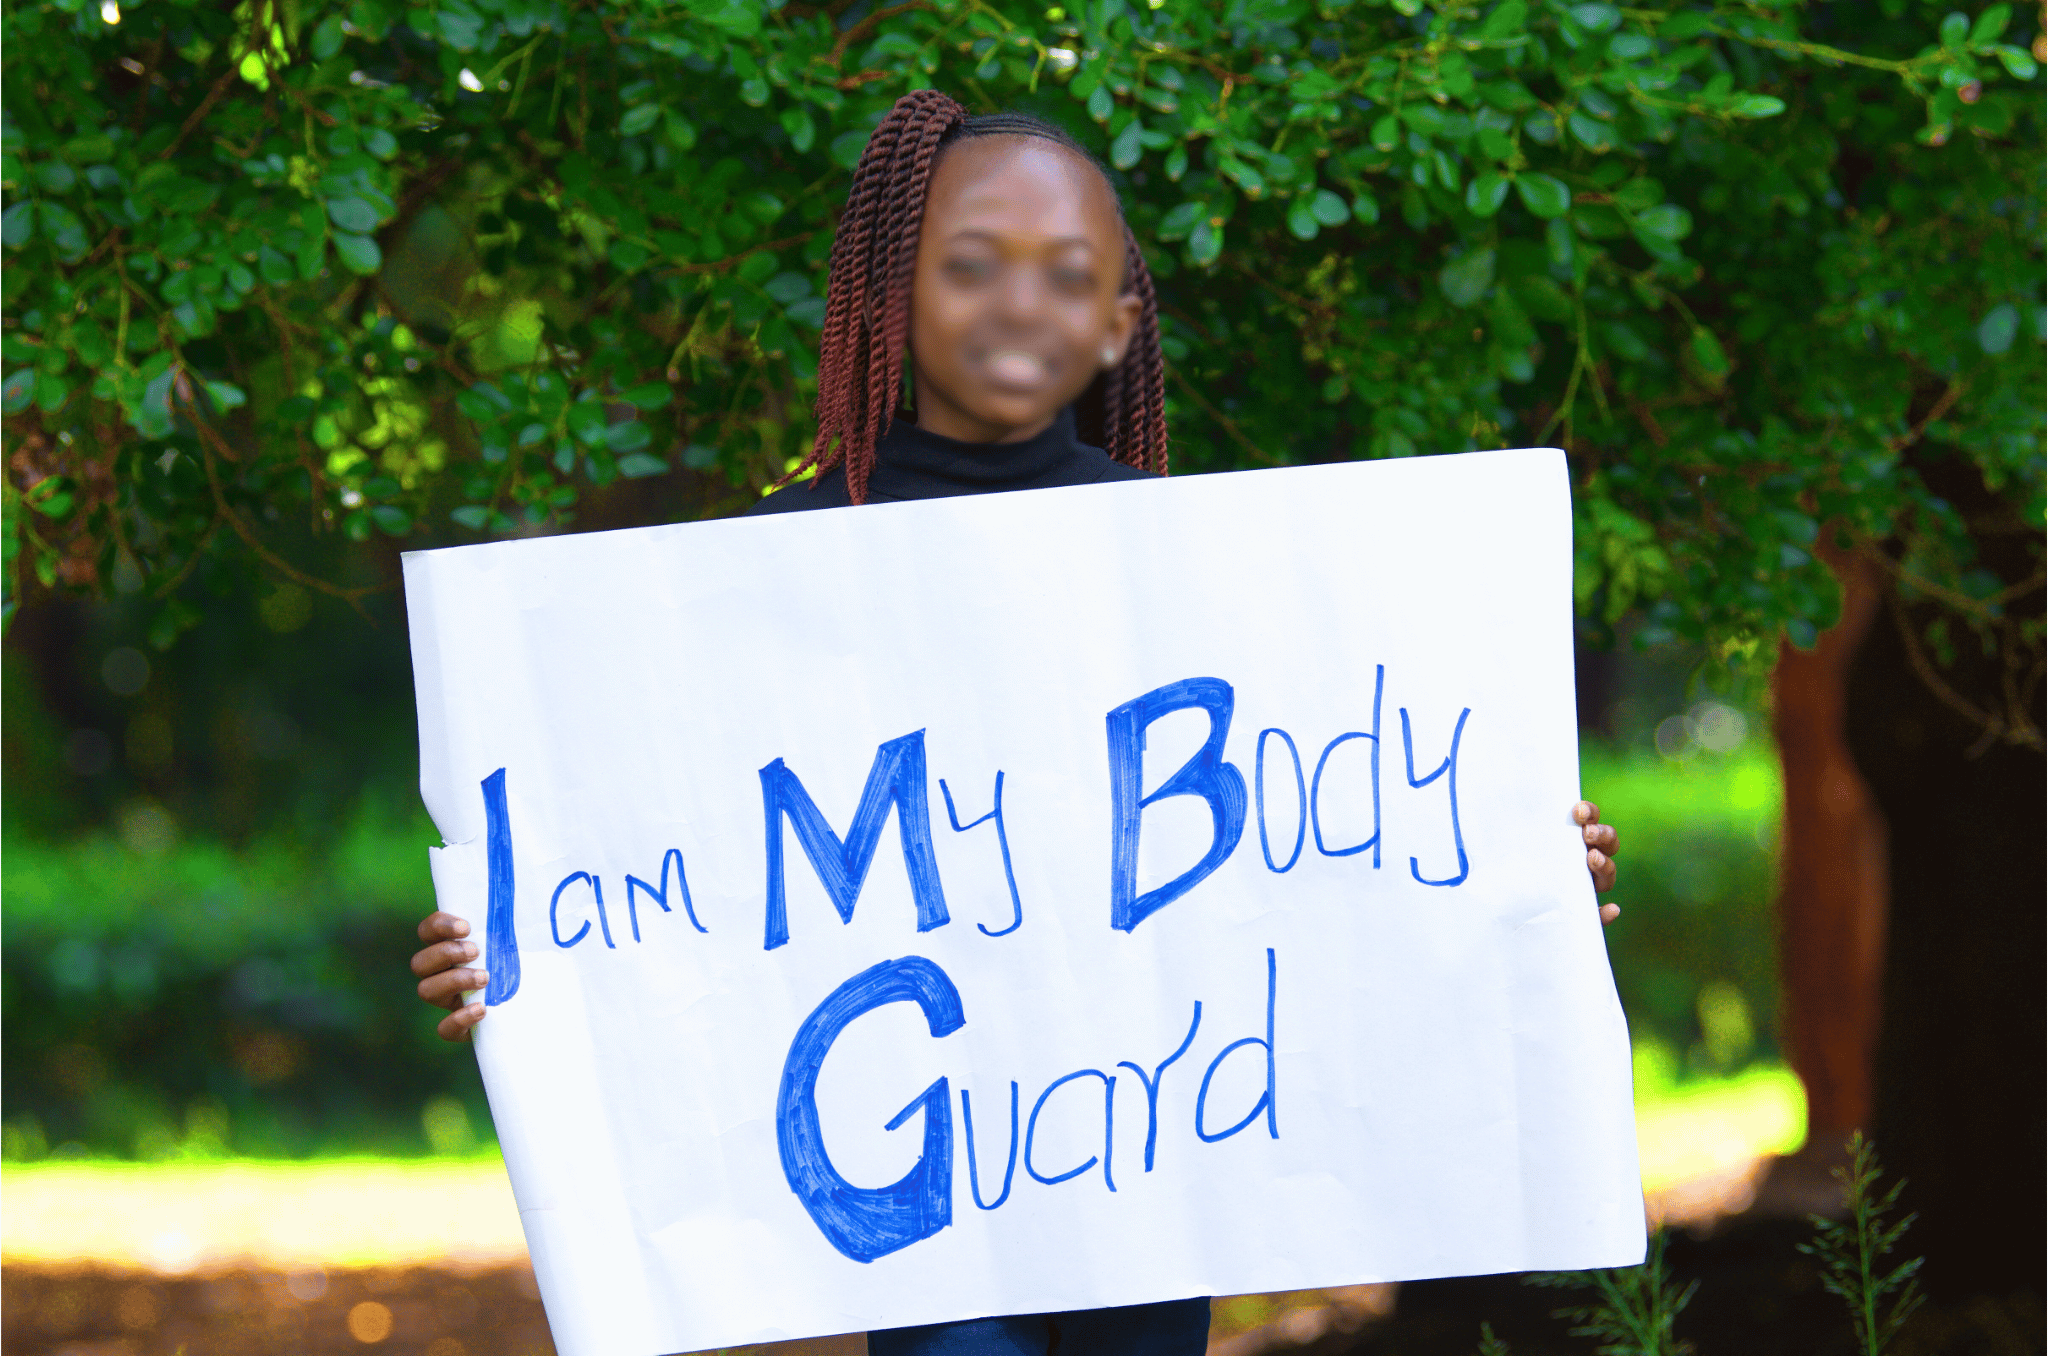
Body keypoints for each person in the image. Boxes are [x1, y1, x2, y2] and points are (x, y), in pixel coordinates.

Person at [408, 90, 1625, 1356]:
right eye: (971, 265)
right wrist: (508, 951)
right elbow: (655, 886)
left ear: (1116, 323)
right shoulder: (757, 591)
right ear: (889, 290)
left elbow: (1335, 838)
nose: (1017, 304)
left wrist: (1514, 870)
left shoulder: (1207, 576)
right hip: (917, 1174)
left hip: (1154, 1156)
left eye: (1068, 274)